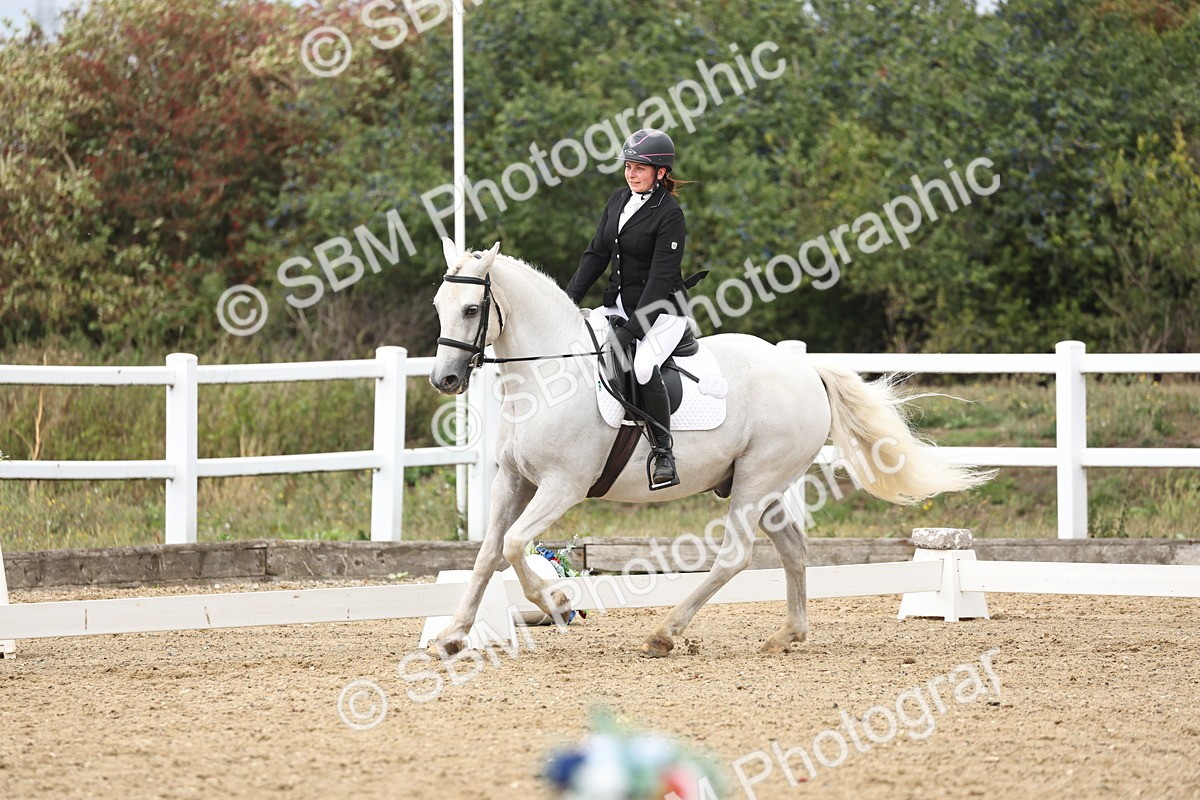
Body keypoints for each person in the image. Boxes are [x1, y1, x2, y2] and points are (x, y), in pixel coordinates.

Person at [564, 128, 696, 491]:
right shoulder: (618, 199)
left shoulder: (670, 215)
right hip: (618, 304)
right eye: (628, 166)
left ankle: (663, 451)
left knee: (642, 366)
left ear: (661, 172)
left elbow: (659, 280)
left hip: (662, 311)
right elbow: (596, 254)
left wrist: (633, 330)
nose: (631, 173)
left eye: (640, 168)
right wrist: (567, 300)